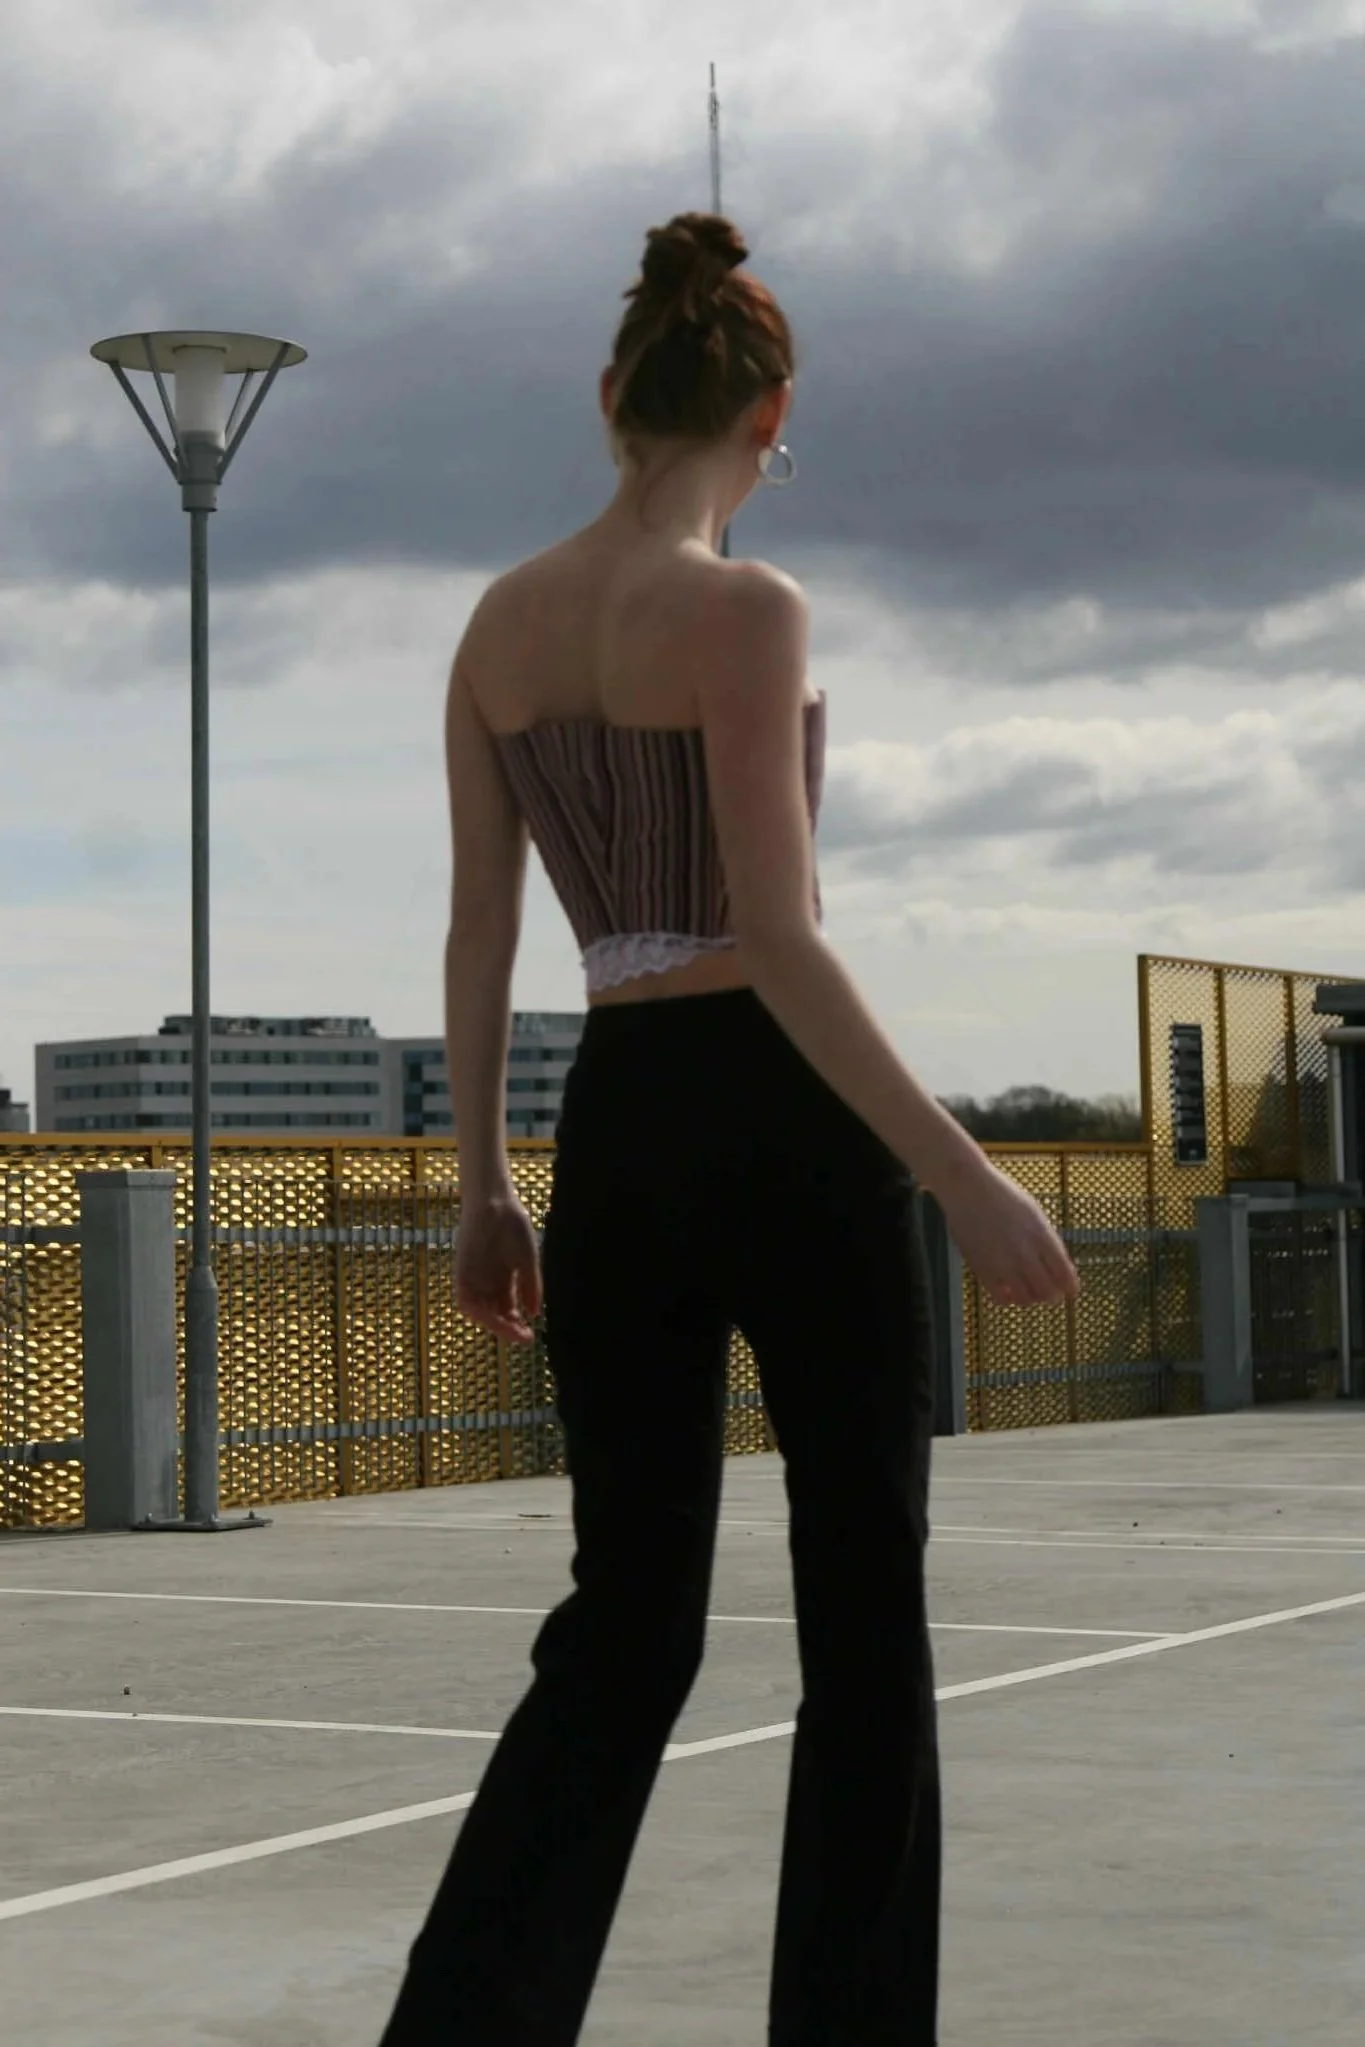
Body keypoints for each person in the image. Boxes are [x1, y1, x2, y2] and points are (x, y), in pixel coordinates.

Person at [378, 211, 1079, 2047]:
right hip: (786, 1114)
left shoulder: (496, 625)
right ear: (771, 417)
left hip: (612, 1128)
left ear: (611, 397)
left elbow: (479, 929)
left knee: (627, 1624)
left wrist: (482, 1186)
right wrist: (966, 1169)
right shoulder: (749, 611)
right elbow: (776, 933)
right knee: (864, 1623)